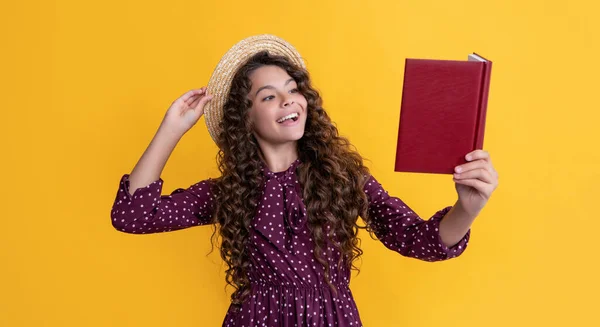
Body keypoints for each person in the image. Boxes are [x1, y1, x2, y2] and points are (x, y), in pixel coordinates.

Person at [110, 34, 499, 327]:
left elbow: (419, 239)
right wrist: (171, 129)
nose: (288, 101)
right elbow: (132, 216)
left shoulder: (344, 177)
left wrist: (467, 208)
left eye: (293, 90)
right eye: (268, 97)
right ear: (244, 119)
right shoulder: (229, 192)